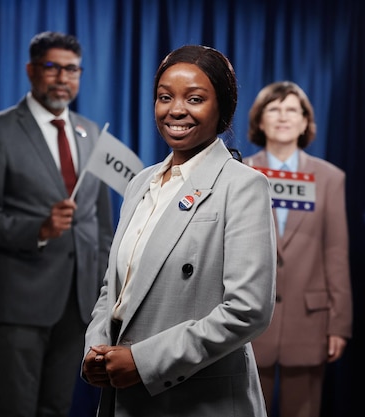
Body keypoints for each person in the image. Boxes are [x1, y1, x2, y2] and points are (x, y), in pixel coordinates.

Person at [81, 45, 277, 417]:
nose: (176, 110)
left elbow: (248, 311)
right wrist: (95, 349)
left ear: (223, 108)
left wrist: (143, 361)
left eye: (196, 98)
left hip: (196, 398)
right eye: (165, 97)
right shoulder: (141, 182)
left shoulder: (243, 184)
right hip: (122, 393)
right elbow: (115, 288)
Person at [0, 31, 114, 416]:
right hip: (20, 298)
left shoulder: (91, 132)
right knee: (17, 406)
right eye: (52, 67)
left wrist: (103, 289)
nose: (63, 77)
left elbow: (99, 226)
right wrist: (38, 230)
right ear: (31, 71)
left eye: (71, 69)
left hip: (79, 300)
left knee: (57, 406)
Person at [244, 81, 353, 417]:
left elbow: (336, 253)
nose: (283, 116)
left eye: (292, 109)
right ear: (260, 121)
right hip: (246, 321)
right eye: (273, 109)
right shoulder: (239, 174)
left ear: (306, 122)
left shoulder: (330, 178)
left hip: (310, 320)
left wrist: (339, 324)